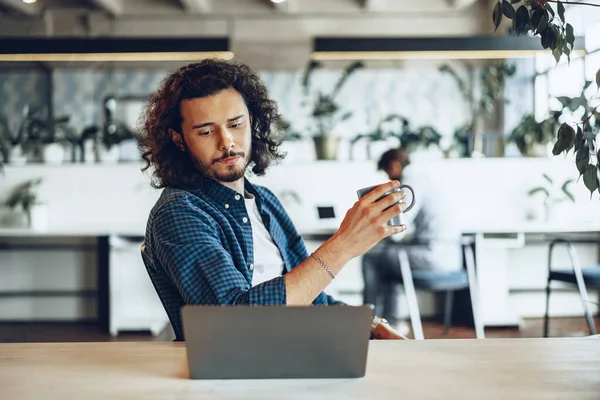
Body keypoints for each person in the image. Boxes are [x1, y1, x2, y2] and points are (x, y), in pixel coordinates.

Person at [137, 59, 408, 341]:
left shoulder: (266, 202)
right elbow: (233, 324)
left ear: (251, 121)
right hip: (239, 375)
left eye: (236, 124)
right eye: (206, 131)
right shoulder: (180, 212)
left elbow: (310, 297)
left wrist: (373, 327)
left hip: (301, 354)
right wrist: (343, 245)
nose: (226, 141)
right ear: (179, 139)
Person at [362, 148, 462, 330]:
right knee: (390, 261)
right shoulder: (424, 180)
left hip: (433, 257)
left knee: (372, 259)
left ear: (394, 165)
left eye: (387, 172)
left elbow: (399, 226)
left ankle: (366, 321)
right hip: (450, 256)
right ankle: (389, 322)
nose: (388, 179)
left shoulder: (410, 184)